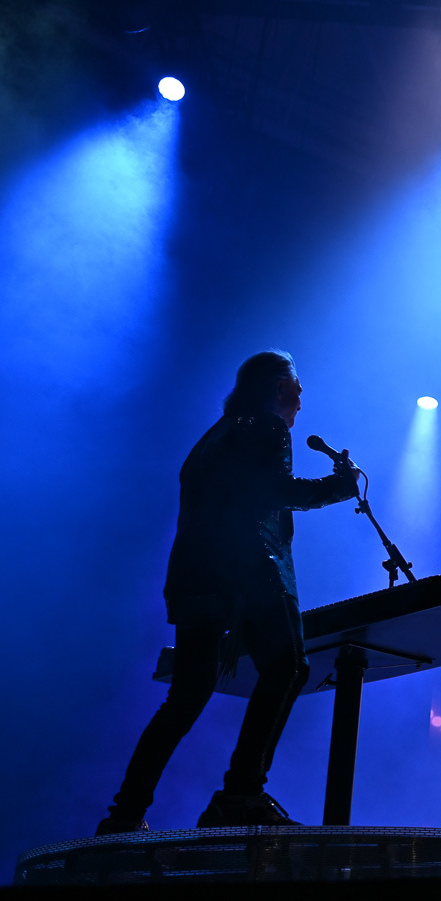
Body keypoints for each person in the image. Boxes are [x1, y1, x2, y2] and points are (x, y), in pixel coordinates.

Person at [97, 351, 359, 834]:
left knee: (186, 697)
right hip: (249, 571)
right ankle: (240, 795)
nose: (301, 401)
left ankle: (124, 815)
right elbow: (274, 491)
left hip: (195, 579)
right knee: (288, 667)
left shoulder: (213, 436)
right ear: (279, 387)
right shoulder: (267, 427)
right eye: (297, 389)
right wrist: (338, 487)